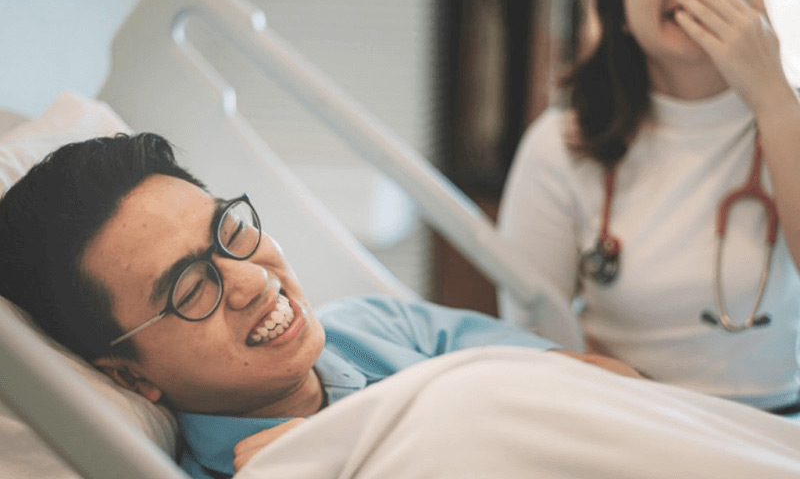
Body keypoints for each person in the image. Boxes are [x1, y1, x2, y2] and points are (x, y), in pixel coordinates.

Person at [0, 132, 640, 479]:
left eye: (231, 230)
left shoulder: (381, 325)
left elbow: (620, 393)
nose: (250, 280)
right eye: (192, 289)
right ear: (131, 375)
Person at [498, 0, 800, 413]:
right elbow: (528, 336)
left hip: (777, 428)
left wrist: (773, 99)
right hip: (627, 421)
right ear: (617, 8)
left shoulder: (788, 117)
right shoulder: (561, 145)